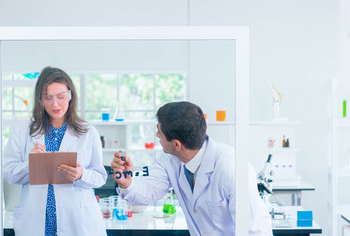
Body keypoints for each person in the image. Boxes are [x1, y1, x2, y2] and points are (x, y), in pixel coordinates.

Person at [111, 101, 273, 236]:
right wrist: (127, 183)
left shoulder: (232, 167)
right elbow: (148, 193)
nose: (157, 135)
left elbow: (253, 231)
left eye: (159, 131)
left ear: (176, 144)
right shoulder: (169, 160)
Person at [3, 67, 107, 236]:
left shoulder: (88, 132)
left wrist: (81, 175)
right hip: (36, 222)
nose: (55, 104)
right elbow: (9, 173)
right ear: (40, 99)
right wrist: (31, 163)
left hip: (77, 222)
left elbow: (100, 177)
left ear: (70, 95)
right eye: (48, 98)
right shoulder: (23, 131)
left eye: (60, 97)